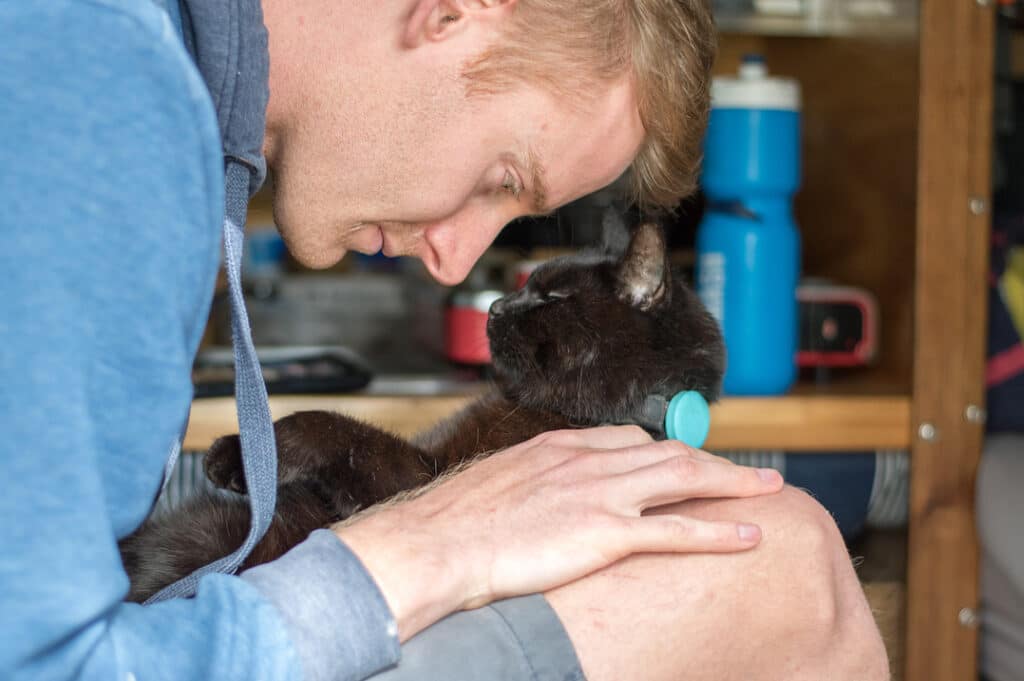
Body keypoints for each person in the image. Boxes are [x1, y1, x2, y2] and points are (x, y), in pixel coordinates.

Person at [0, 1, 889, 680]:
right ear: (454, 11)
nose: (455, 257)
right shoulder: (109, 84)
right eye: (502, 177)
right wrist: (436, 541)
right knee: (784, 556)